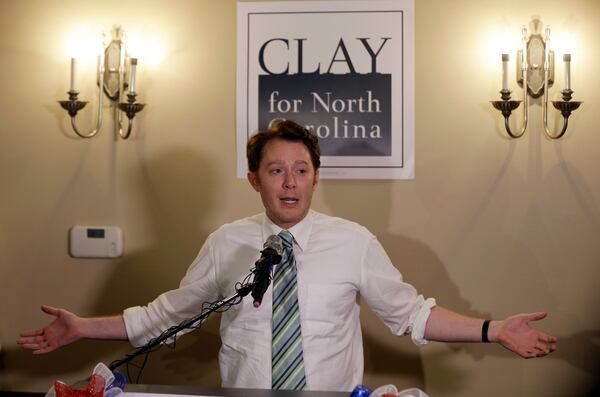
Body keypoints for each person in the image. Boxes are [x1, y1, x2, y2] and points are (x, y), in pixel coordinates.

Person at [18, 120, 557, 391]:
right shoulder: (226, 243)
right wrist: (83, 326)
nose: (290, 182)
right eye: (276, 170)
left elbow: (412, 314)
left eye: (301, 170)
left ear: (317, 178)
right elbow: (169, 316)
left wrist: (495, 330)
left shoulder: (354, 241)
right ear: (255, 180)